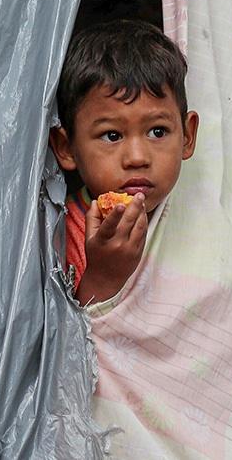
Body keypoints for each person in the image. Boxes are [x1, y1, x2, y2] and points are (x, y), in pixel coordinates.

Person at [49, 19, 199, 307]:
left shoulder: (203, 220)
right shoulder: (61, 236)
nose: (137, 158)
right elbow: (69, 341)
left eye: (158, 131)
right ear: (66, 148)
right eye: (112, 135)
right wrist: (104, 275)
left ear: (187, 136)